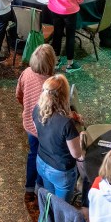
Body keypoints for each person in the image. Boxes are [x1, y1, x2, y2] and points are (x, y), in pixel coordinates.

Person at [34, 74, 83, 204]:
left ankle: (49, 220)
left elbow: (43, 131)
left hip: (42, 161)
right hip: (61, 171)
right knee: (61, 207)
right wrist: (81, 138)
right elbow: (76, 154)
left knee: (50, 200)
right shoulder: (66, 124)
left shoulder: (37, 109)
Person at [16, 45, 57, 199]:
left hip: (29, 124)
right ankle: (39, 188)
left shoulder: (26, 73)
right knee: (44, 157)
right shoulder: (53, 83)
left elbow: (18, 95)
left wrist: (26, 107)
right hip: (46, 129)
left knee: (33, 154)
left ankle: (28, 188)